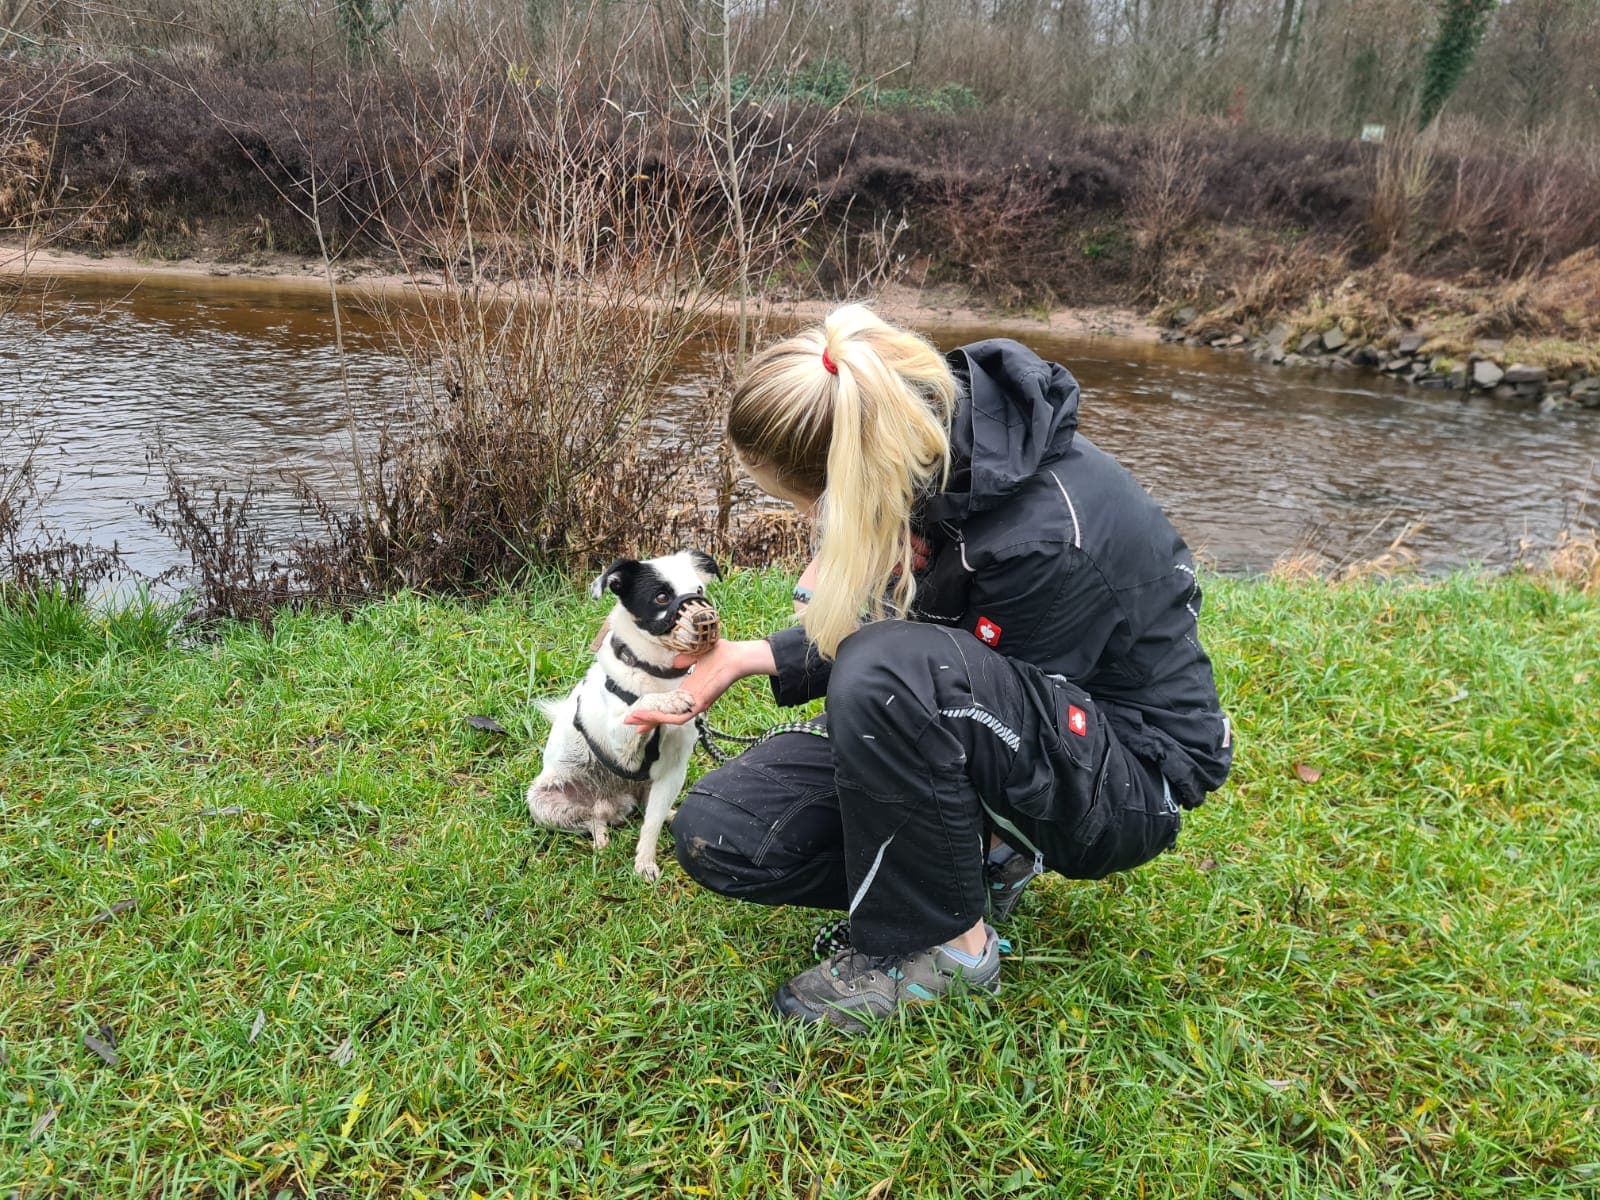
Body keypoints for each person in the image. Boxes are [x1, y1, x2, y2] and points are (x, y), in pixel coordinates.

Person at [625, 304, 1232, 1033]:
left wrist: (880, 690)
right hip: (1008, 724)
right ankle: (970, 875)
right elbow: (934, 661)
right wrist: (746, 658)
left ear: (849, 475)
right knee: (725, 829)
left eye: (813, 506)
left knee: (887, 680)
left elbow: (944, 683)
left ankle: (952, 948)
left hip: (1129, 780)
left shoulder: (1039, 537)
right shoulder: (932, 467)